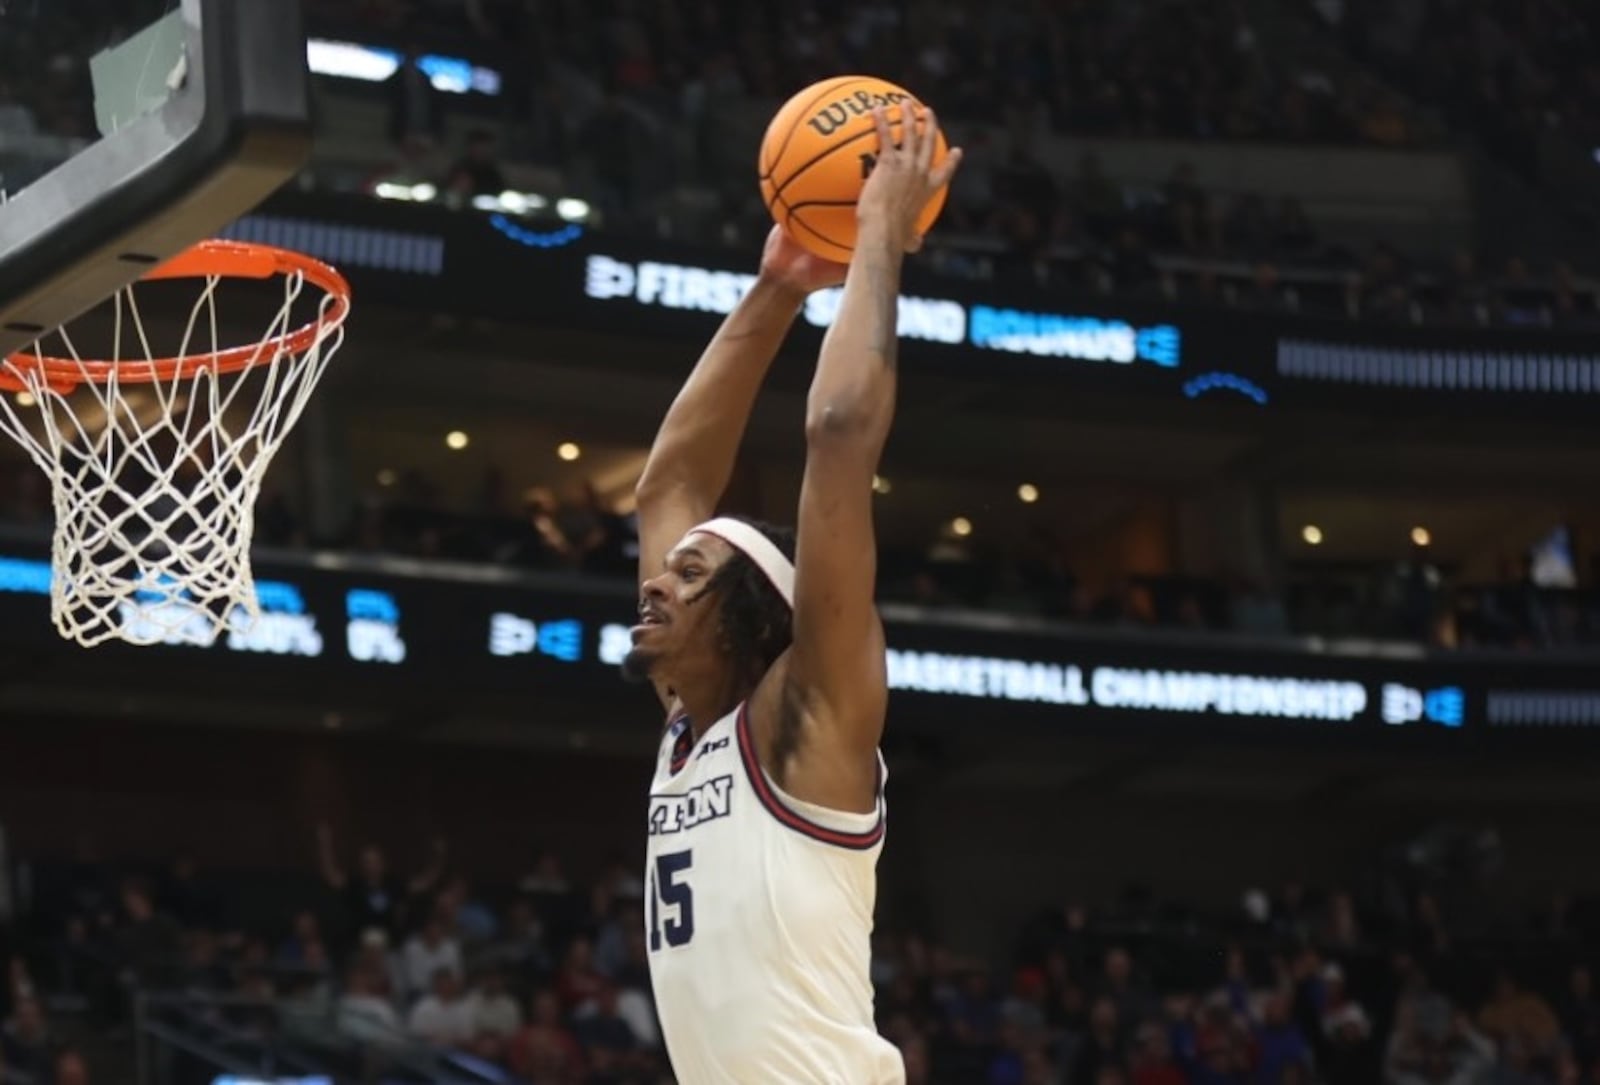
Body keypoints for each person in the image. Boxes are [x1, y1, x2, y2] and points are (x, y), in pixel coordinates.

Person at [624, 105, 961, 1082]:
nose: (655, 578)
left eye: (689, 575)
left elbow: (841, 435)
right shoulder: (695, 722)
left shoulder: (807, 717)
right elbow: (667, 488)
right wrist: (774, 287)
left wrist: (876, 247)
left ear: (751, 617)